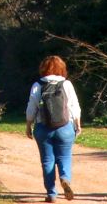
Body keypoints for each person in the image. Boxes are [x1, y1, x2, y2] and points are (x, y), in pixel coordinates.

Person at [23, 55, 80, 201]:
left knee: (47, 160)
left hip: (43, 128)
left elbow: (31, 108)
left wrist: (29, 125)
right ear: (62, 68)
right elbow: (74, 107)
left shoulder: (37, 85)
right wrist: (77, 125)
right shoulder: (66, 84)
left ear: (43, 68)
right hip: (65, 127)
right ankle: (65, 178)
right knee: (64, 156)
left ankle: (51, 194)